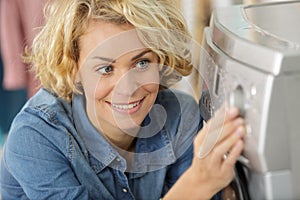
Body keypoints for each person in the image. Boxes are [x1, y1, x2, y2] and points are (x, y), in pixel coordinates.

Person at [0, 0, 246, 199]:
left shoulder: (181, 117)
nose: (127, 88)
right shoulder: (36, 136)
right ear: (73, 69)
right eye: (106, 68)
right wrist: (197, 185)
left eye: (141, 63)